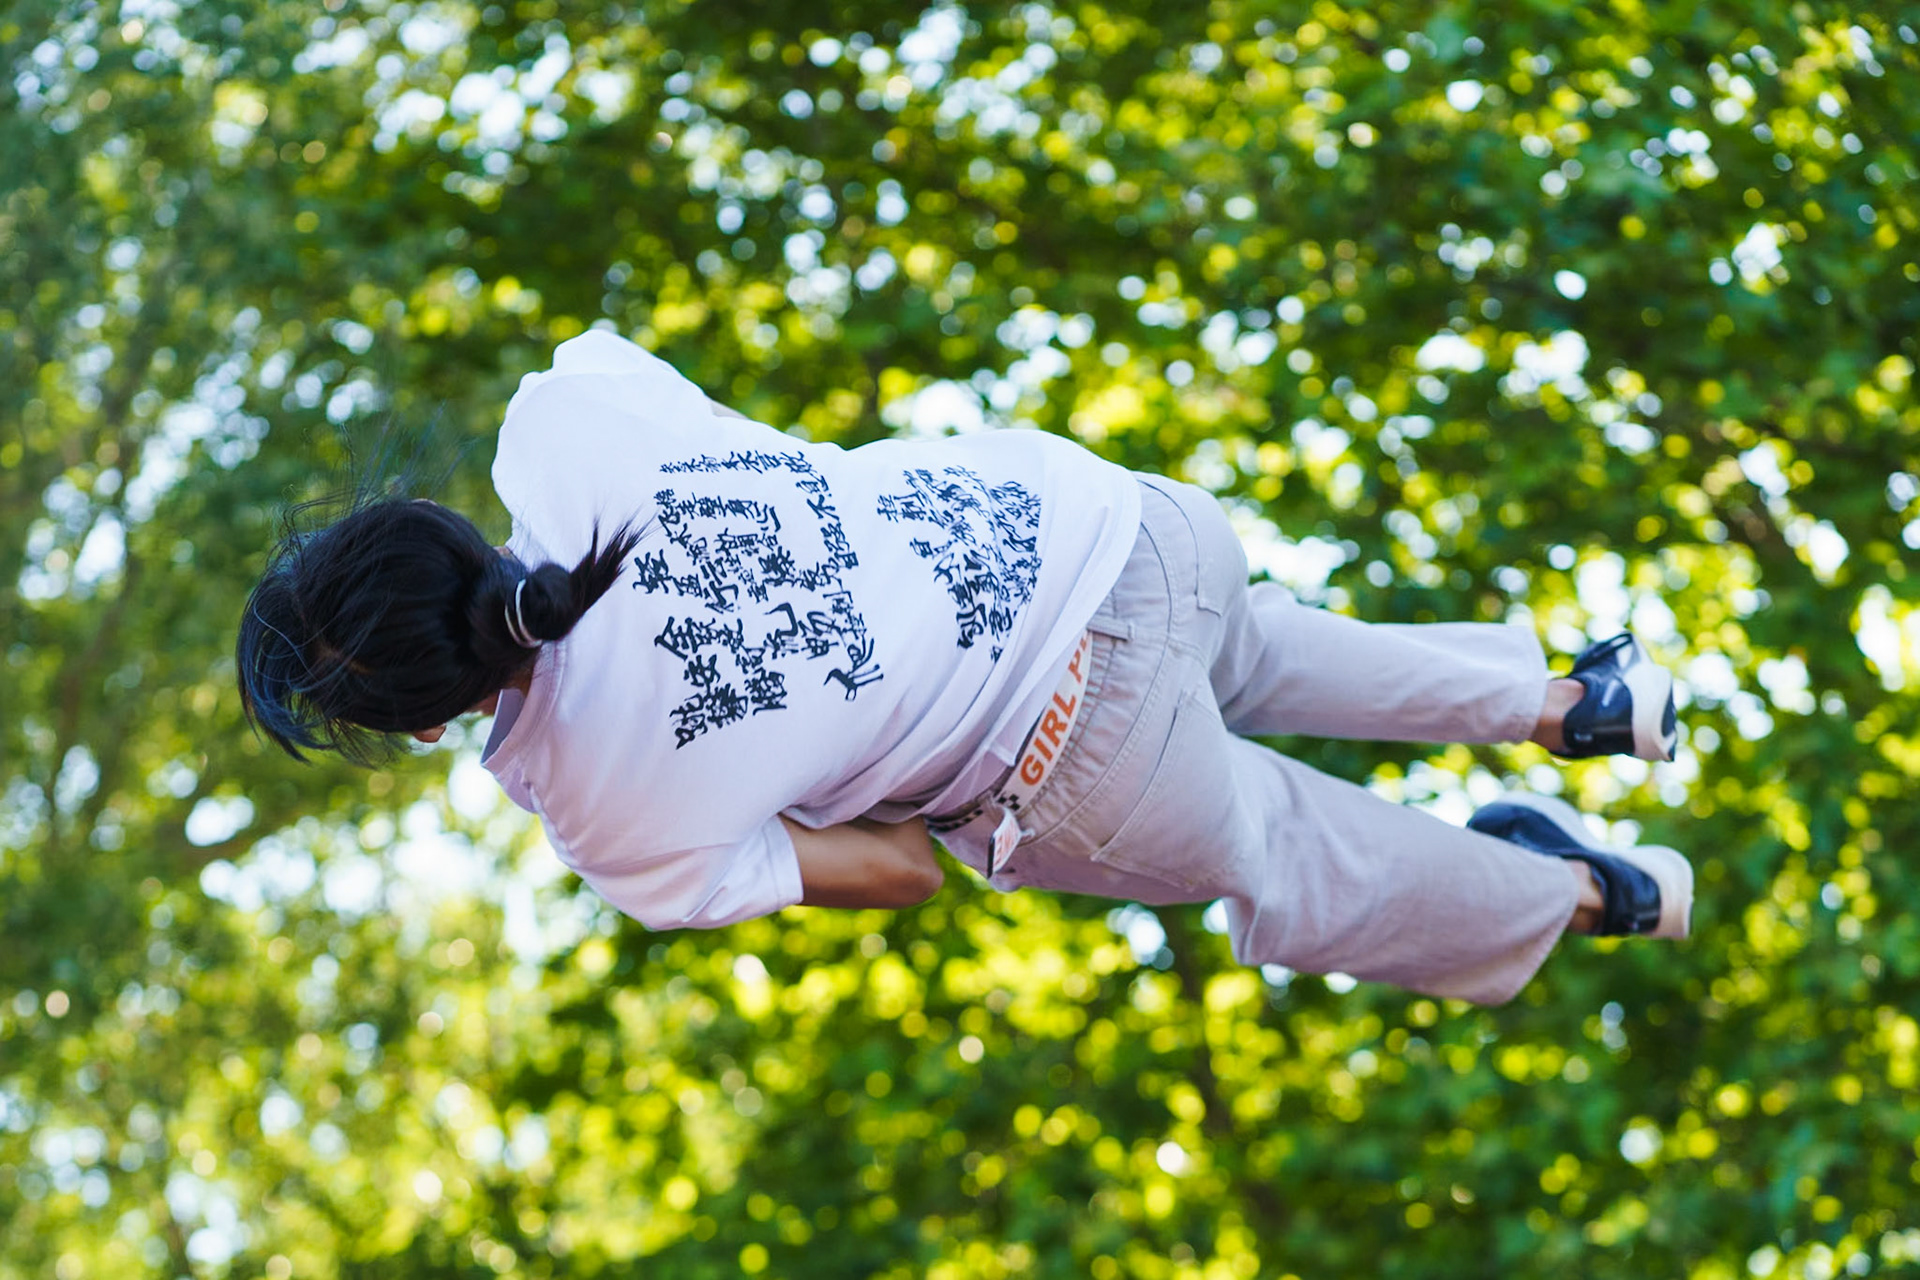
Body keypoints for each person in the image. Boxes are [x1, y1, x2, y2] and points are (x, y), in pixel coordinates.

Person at [237, 331, 1691, 1006]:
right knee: (1257, 647)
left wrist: (812, 749)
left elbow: (906, 873)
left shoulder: (607, 829)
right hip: (1106, 530)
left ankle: (1585, 890)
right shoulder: (560, 423)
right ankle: (1576, 704)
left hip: (1082, 769)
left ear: (425, 729)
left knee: (1297, 853)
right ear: (419, 519)